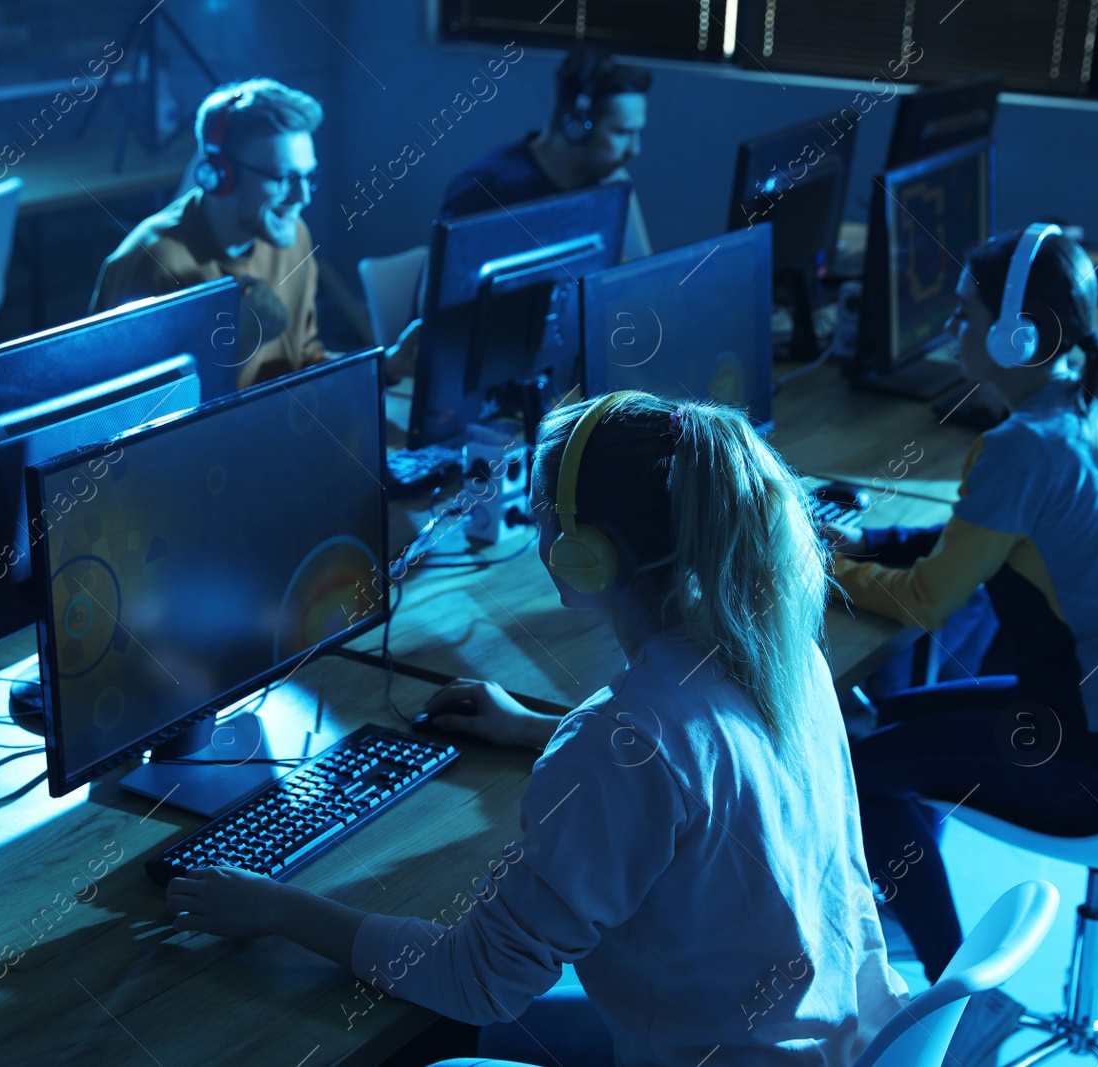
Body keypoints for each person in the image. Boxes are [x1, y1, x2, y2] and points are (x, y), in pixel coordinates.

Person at [163, 392, 906, 1065]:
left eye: (545, 513)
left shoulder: (627, 742)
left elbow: (478, 979)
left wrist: (278, 908)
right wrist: (534, 729)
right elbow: (700, 769)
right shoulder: (784, 653)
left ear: (588, 554)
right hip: (836, 1041)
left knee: (438, 1048)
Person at [831, 226, 1098, 983]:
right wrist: (863, 540)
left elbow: (925, 603)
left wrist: (825, 573)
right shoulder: (1091, 403)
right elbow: (985, 538)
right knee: (896, 721)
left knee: (855, 769)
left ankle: (947, 996)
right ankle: (920, 934)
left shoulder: (1022, 444)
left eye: (964, 315)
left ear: (1018, 335)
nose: (952, 332)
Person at [90, 78, 418, 388]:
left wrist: (384, 368)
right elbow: (125, 423)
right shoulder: (150, 262)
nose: (303, 197)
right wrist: (237, 346)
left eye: (308, 176)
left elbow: (303, 361)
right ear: (220, 174)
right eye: (283, 177)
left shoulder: (292, 237)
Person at [441, 48, 653, 261]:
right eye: (622, 132)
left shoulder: (606, 182)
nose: (634, 150)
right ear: (577, 127)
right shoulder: (481, 191)